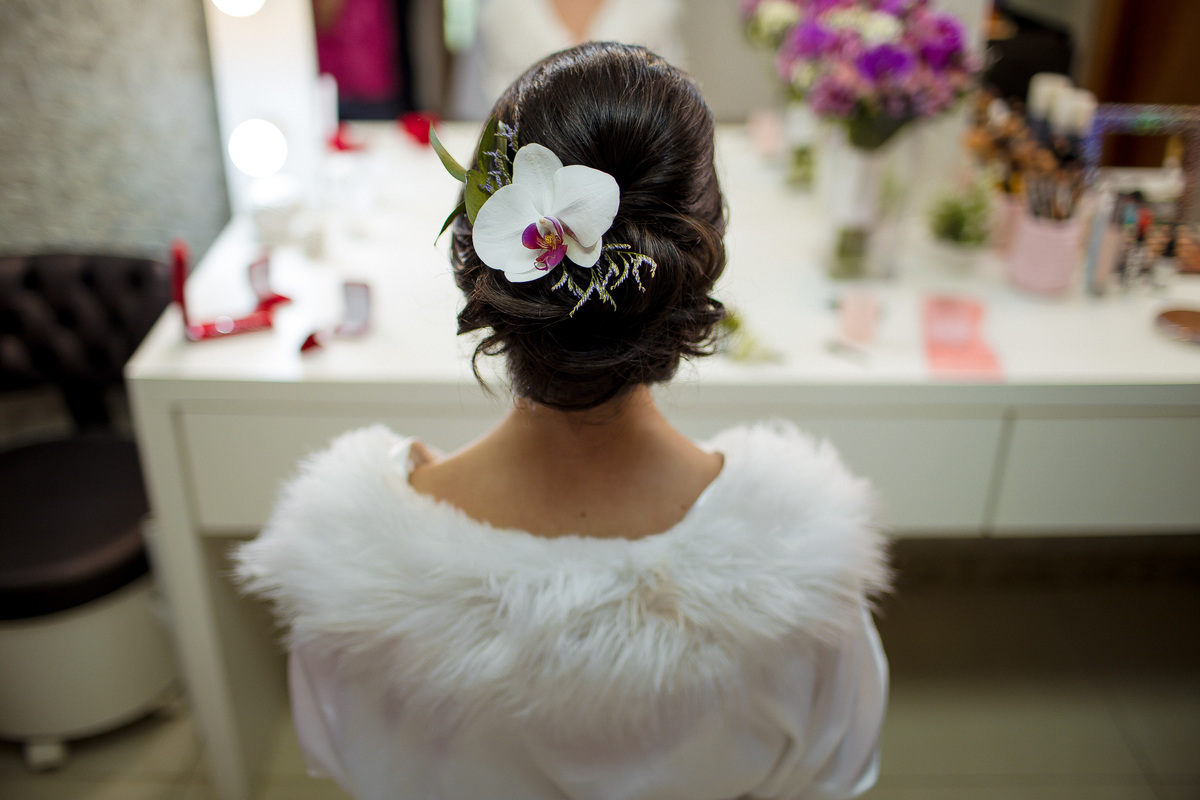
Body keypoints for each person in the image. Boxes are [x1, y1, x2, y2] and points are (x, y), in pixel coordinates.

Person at [236, 42, 890, 800]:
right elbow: (834, 775)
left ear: (481, 254)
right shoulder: (804, 587)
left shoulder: (347, 584)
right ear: (695, 263)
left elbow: (347, 758)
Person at [448, 0, 686, 119]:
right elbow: (475, 106)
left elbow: (675, 101)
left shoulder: (653, 9)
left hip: (633, 170)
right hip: (519, 169)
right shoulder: (501, 10)